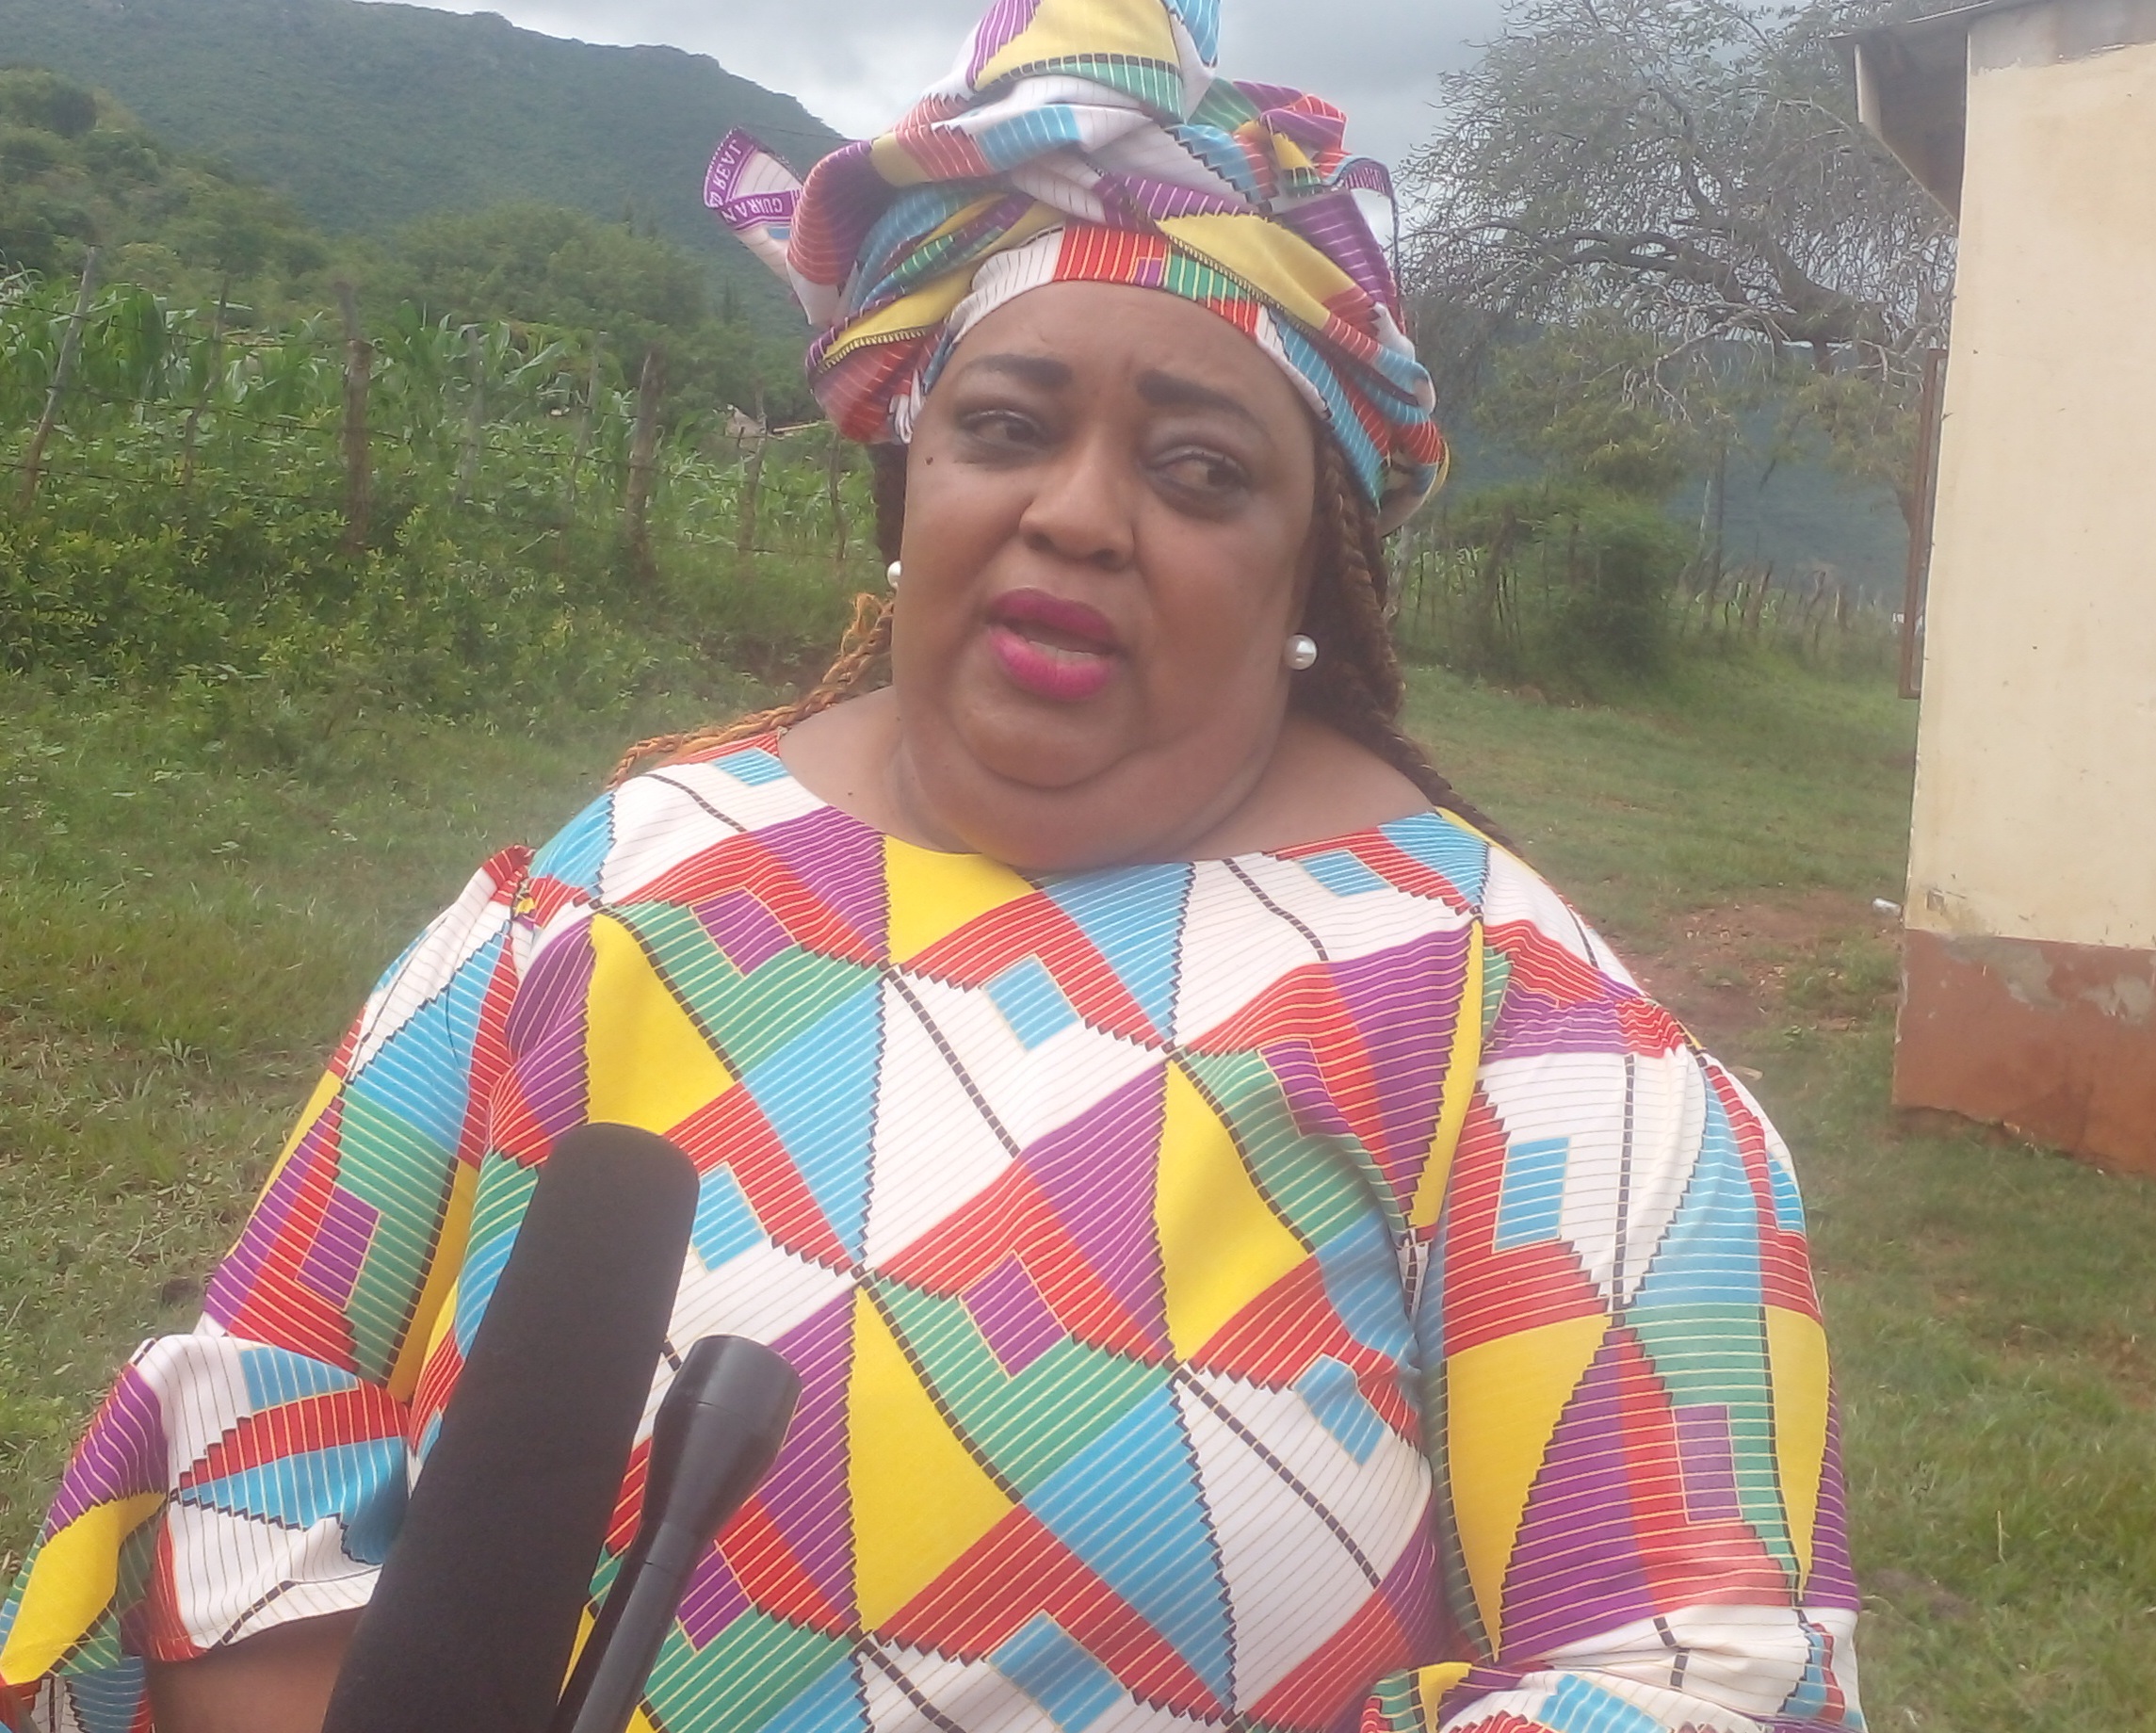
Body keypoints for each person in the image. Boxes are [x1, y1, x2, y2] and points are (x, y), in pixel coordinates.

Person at [0, 3, 1863, 1729]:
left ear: (1312, 565)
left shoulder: (1526, 1033)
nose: (1075, 511)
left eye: (1199, 471)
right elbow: (275, 1372)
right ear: (913, 488)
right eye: (1006, 427)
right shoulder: (617, 878)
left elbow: (1697, 1665)